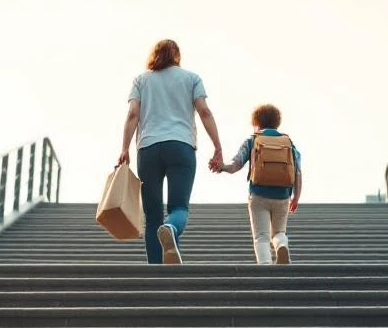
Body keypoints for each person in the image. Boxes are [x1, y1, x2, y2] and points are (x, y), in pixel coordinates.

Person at [117, 39, 224, 265]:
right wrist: (217, 146)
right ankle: (172, 228)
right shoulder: (192, 78)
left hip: (147, 149)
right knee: (178, 207)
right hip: (181, 146)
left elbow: (132, 114)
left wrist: (124, 148)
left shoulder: (141, 80)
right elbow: (204, 111)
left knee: (152, 214)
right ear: (177, 55)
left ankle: (155, 270)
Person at [214, 104, 302, 265]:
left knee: (261, 236)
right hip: (283, 196)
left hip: (258, 195)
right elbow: (298, 173)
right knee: (279, 231)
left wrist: (222, 167)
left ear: (256, 122)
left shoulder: (253, 140)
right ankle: (281, 244)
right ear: (277, 122)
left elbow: (236, 164)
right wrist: (296, 197)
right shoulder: (289, 142)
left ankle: (265, 266)